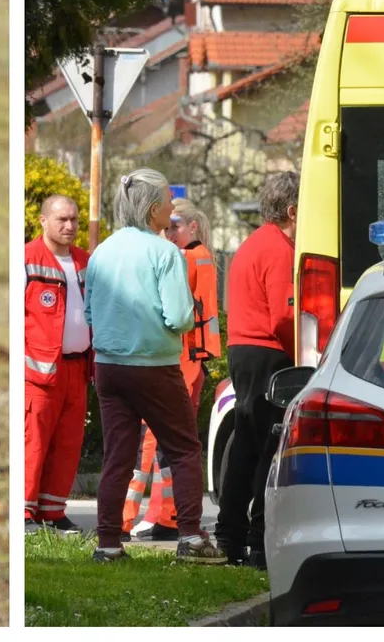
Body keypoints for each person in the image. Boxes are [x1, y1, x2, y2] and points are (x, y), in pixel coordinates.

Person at [83, 168, 226, 564]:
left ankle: (108, 543)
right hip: (154, 364)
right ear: (151, 208)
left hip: (108, 366)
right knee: (183, 449)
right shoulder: (165, 253)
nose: (170, 206)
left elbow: (90, 310)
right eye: (165, 200)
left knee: (118, 456)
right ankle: (191, 538)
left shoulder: (103, 251)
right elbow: (180, 317)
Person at [214, 171, 300, 569]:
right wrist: (306, 353)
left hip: (243, 349)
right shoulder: (279, 248)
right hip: (269, 353)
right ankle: (260, 540)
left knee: (246, 445)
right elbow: (284, 314)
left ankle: (229, 536)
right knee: (270, 447)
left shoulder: (252, 243)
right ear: (293, 210)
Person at [123, 198, 221, 541]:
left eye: (174, 225)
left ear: (192, 227)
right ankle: (165, 515)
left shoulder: (184, 258)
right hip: (193, 360)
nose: (168, 232)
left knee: (153, 443)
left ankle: (139, 518)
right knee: (175, 444)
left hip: (177, 359)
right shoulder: (203, 256)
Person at [24, 194, 91, 535]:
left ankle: (53, 511)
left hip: (77, 368)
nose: (69, 226)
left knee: (68, 443)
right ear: (43, 221)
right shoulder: (28, 259)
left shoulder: (85, 262)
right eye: (62, 219)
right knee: (34, 441)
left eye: (74, 220)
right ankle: (24, 511)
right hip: (38, 373)